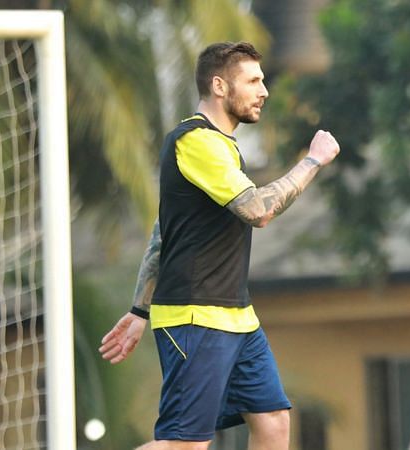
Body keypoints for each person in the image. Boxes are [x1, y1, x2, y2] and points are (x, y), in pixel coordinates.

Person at [98, 42, 340, 449]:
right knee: (188, 445)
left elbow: (164, 233)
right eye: (253, 80)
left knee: (273, 423)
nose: (264, 90)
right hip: (195, 315)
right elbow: (258, 210)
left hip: (237, 316)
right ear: (220, 86)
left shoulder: (223, 149)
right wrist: (311, 161)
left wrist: (140, 308)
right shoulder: (195, 141)